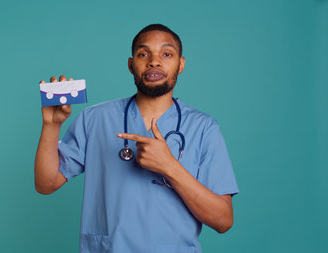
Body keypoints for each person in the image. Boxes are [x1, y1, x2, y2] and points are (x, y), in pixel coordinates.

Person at [35, 24, 238, 253]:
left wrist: (169, 166)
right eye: (143, 54)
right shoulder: (95, 119)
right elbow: (45, 184)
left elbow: (223, 220)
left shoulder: (204, 128)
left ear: (180, 65)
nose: (154, 61)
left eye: (167, 54)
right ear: (131, 65)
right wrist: (51, 126)